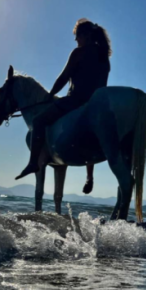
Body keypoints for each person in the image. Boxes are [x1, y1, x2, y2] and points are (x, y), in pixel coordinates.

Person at [15, 19, 112, 189]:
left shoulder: (79, 53)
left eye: (77, 36)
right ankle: (90, 177)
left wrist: (50, 95)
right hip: (97, 103)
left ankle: (33, 163)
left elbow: (63, 78)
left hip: (75, 100)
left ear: (86, 35)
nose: (76, 40)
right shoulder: (104, 56)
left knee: (38, 121)